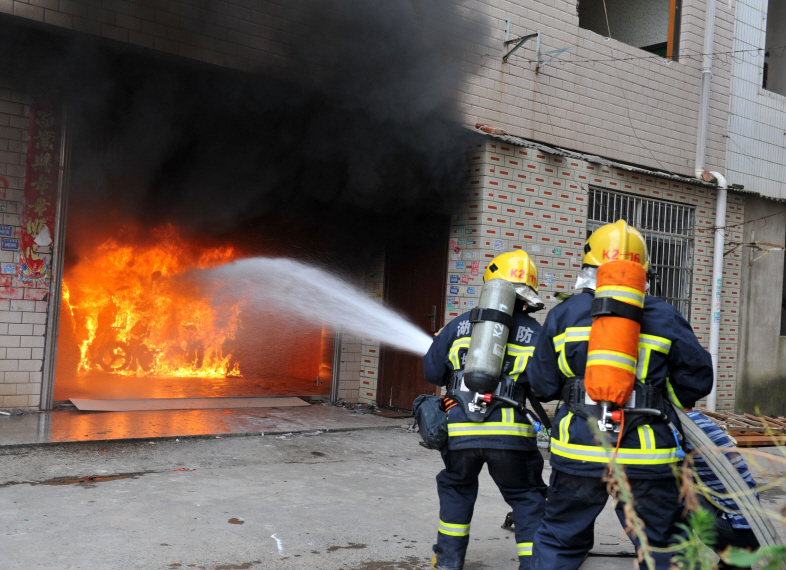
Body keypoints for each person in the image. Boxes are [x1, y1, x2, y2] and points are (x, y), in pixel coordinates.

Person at [528, 220, 714, 570]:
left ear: (588, 265)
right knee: (661, 544)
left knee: (558, 537)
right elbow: (698, 381)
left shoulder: (564, 315)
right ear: (643, 270)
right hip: (648, 456)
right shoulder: (665, 315)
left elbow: (542, 384)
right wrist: (658, 394)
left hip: (579, 448)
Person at [422, 250, 548, 570]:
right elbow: (547, 387)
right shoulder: (534, 332)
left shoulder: (460, 324)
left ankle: (448, 563)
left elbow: (432, 372)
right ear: (527, 296)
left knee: (457, 491)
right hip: (511, 436)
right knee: (525, 499)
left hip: (460, 432)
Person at [683, 407, 760, 569]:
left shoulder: (683, 428)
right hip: (756, 528)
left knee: (673, 492)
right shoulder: (698, 419)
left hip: (737, 532)